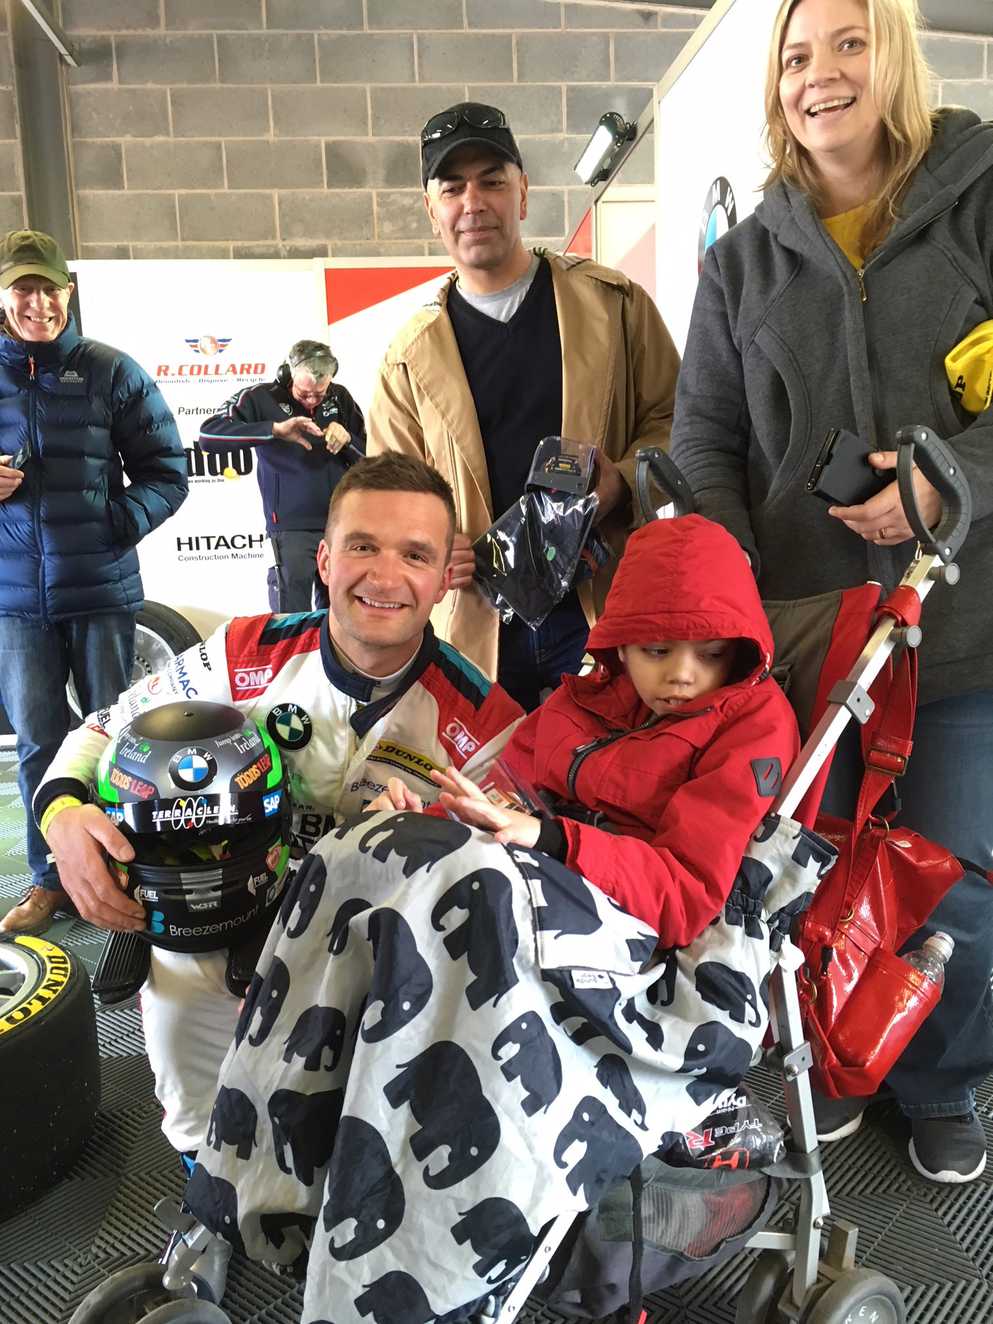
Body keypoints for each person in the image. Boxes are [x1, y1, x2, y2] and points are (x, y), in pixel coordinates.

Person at [184, 512, 807, 1324]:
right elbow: (495, 789)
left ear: (741, 650)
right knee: (364, 845)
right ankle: (254, 1186)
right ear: (618, 641)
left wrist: (541, 834)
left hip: (651, 932)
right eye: (656, 650)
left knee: (462, 880)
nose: (681, 675)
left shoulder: (750, 724)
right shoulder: (584, 700)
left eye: (708, 653)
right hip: (546, 876)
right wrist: (435, 810)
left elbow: (689, 893)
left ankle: (402, 1285)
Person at [34, 453, 522, 1301]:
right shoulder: (242, 652)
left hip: (378, 962)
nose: (383, 574)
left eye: (414, 554)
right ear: (323, 558)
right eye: (361, 546)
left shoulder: (484, 720)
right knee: (180, 994)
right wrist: (64, 818)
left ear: (447, 575)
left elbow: (518, 876)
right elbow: (102, 728)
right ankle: (210, 1202)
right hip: (224, 929)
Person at [670, 0, 993, 1184]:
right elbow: (704, 430)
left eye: (849, 44)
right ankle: (839, 1063)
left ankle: (946, 1077)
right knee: (813, 869)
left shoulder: (980, 197)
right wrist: (727, 565)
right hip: (808, 634)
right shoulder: (743, 258)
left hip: (963, 629)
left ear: (894, 54)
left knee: (950, 869)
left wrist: (945, 486)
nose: (822, 76)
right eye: (797, 56)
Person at [368, 100, 681, 710]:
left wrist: (622, 482)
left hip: (600, 607)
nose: (473, 203)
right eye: (452, 187)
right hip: (475, 629)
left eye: (492, 181)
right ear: (432, 209)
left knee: (604, 784)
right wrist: (427, 545)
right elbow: (386, 494)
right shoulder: (408, 357)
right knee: (488, 794)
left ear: (524, 193)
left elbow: (682, 423)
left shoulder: (614, 306)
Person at [0, 228, 187, 938]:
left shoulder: (112, 370)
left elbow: (168, 471)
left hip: (102, 590)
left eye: (48, 288)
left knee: (118, 739)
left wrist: (117, 521)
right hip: (14, 601)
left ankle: (125, 866)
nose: (37, 302)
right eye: (23, 288)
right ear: (4, 296)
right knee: (39, 741)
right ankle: (52, 879)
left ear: (67, 293)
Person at [199, 339, 365, 613]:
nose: (312, 399)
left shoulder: (341, 397)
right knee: (291, 621)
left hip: (341, 528)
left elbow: (371, 459)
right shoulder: (260, 397)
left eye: (319, 393)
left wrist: (348, 440)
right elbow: (208, 436)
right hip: (290, 531)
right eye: (304, 393)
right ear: (287, 374)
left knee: (341, 618)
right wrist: (273, 430)